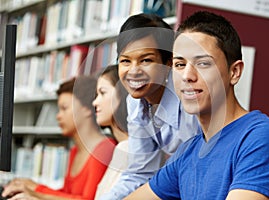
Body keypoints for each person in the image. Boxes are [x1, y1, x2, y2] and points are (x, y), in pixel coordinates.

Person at [124, 11, 269, 200]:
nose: (187, 76)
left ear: (234, 72)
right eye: (180, 64)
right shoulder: (187, 153)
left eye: (203, 63)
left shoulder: (261, 137)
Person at [97, 13, 200, 199]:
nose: (134, 71)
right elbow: (140, 172)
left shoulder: (191, 98)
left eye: (146, 60)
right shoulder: (135, 102)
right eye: (125, 61)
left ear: (168, 64)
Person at [2, 76, 116, 200]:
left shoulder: (104, 149)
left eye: (64, 108)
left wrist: (36, 189)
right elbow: (67, 195)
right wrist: (31, 189)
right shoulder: (75, 151)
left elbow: (88, 199)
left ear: (87, 109)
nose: (58, 116)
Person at [92, 64, 129, 198]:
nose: (95, 102)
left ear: (122, 94)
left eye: (102, 93)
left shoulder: (127, 148)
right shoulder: (121, 147)